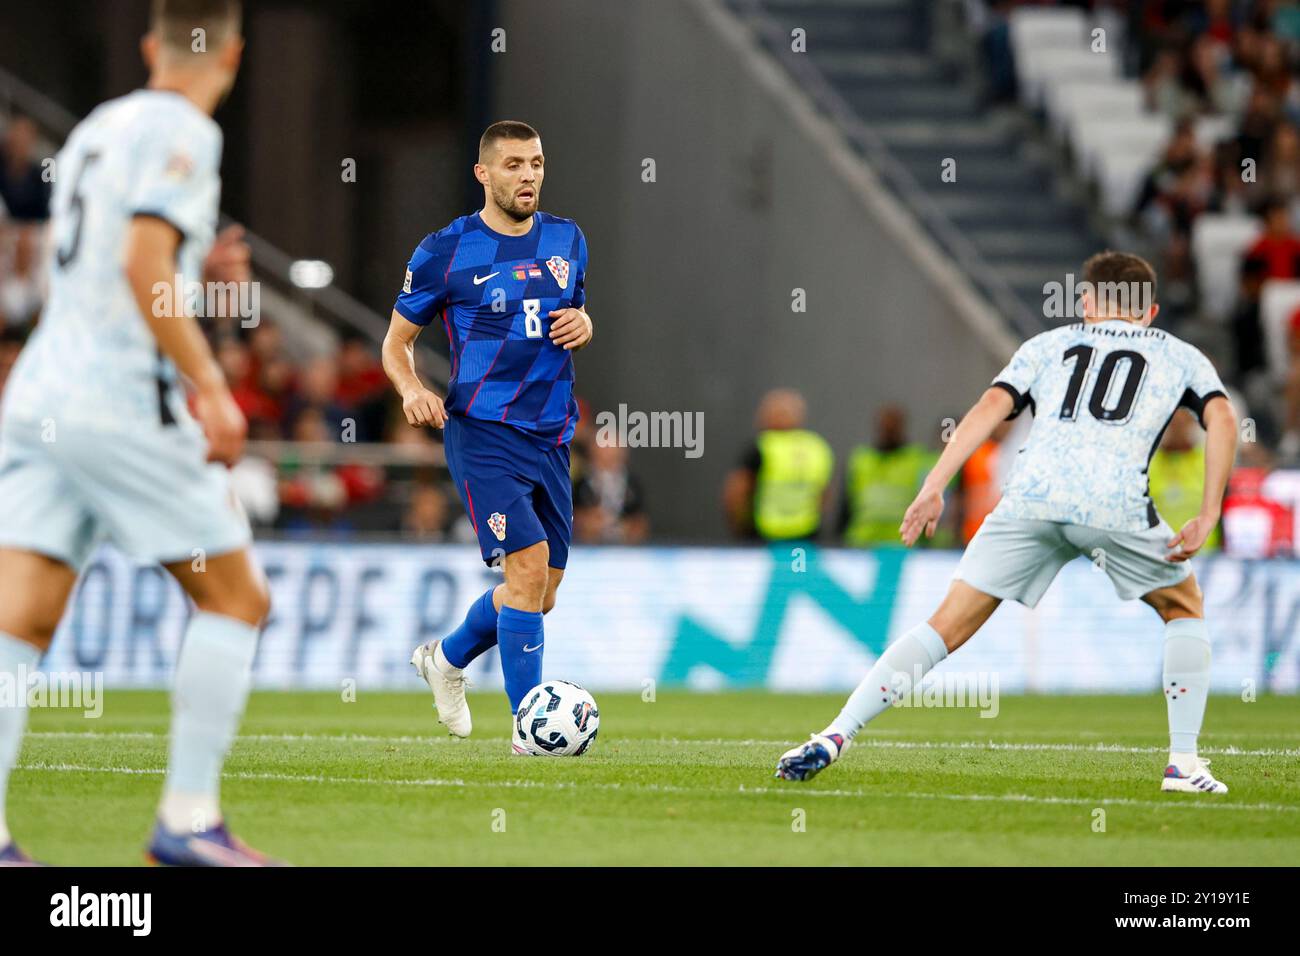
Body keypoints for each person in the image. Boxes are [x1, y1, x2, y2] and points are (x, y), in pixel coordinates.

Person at [775, 252, 1236, 796]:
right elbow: (1222, 418)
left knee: (944, 625)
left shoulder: (1047, 346)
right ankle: (1182, 762)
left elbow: (992, 405)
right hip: (1111, 502)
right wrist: (1208, 511)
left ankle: (836, 733)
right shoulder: (1182, 356)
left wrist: (934, 484)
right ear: (1151, 310)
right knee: (1183, 607)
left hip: (1030, 498)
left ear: (1086, 303)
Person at [0, 0, 279, 866]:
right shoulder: (189, 132)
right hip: (120, 405)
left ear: (153, 43)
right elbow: (142, 262)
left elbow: (95, 261)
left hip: (42, 391)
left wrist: (199, 274)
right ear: (232, 52)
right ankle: (187, 823)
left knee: (21, 617)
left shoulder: (95, 129)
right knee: (236, 598)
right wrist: (212, 388)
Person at [382, 120, 592, 751]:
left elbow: (573, 311)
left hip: (552, 435)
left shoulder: (567, 238)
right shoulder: (445, 251)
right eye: (513, 165)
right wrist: (412, 390)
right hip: (482, 431)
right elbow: (396, 345)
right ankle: (531, 729)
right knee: (525, 571)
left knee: (541, 594)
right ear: (484, 174)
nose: (527, 175)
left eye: (535, 163)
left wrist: (586, 321)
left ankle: (445, 659)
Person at [723, 388, 834, 542]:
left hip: (763, 535)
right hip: (805, 534)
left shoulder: (762, 446)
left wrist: (741, 529)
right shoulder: (817, 447)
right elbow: (824, 495)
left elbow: (737, 493)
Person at [840, 405, 936, 548]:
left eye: (893, 427)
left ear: (902, 427)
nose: (889, 431)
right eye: (885, 427)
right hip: (863, 543)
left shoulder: (918, 460)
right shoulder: (861, 460)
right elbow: (846, 505)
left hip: (904, 543)